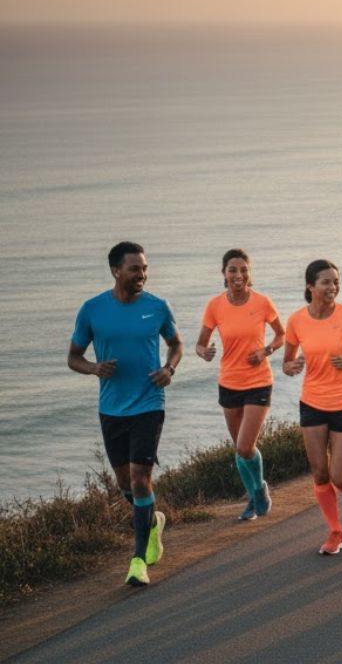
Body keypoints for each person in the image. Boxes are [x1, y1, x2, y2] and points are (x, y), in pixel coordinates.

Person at [68, 241, 181, 586]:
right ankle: (153, 521)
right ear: (116, 271)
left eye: (145, 268)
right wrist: (93, 368)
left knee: (140, 479)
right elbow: (73, 356)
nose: (142, 275)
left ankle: (137, 560)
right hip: (112, 408)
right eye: (135, 269)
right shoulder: (92, 310)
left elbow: (176, 345)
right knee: (123, 483)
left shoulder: (157, 307)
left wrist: (169, 369)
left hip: (149, 403)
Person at [283, 260, 342, 555]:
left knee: (339, 477)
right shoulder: (296, 321)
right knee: (319, 474)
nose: (332, 287)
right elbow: (287, 362)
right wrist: (290, 366)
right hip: (312, 401)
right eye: (326, 282)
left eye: (335, 281)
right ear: (311, 286)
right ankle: (335, 531)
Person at [196, 249, 285, 521]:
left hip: (258, 381)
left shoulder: (262, 302)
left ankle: (259, 490)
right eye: (233, 270)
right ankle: (252, 496)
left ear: (250, 272)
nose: (238, 275)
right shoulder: (215, 306)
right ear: (223, 273)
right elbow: (200, 344)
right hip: (229, 382)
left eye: (243, 269)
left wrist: (266, 351)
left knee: (246, 446)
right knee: (239, 449)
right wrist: (205, 352)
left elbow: (282, 334)